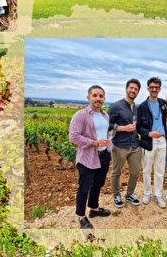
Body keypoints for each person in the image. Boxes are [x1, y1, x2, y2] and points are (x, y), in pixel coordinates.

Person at [69, 85, 111, 229]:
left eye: (101, 96)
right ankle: (81, 217)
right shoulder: (80, 115)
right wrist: (95, 143)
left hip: (103, 155)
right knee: (84, 188)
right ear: (89, 98)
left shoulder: (106, 115)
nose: (98, 99)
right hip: (87, 157)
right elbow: (73, 137)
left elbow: (105, 133)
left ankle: (93, 208)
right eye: (95, 96)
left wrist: (107, 145)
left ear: (104, 99)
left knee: (98, 184)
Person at [107, 78, 142, 208]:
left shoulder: (137, 109)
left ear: (138, 92)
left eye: (136, 89)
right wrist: (122, 128)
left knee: (135, 172)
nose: (133, 91)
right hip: (119, 145)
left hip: (135, 145)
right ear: (126, 89)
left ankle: (129, 194)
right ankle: (116, 195)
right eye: (131, 88)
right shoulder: (116, 106)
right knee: (117, 172)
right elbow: (107, 124)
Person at [137, 77, 167, 208]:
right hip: (148, 142)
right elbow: (138, 127)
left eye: (157, 87)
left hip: (162, 141)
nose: (154, 90)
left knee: (160, 170)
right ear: (148, 89)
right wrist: (149, 133)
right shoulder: (142, 107)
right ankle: (147, 193)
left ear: (159, 89)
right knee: (147, 170)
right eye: (152, 87)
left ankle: (158, 195)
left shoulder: (164, 104)